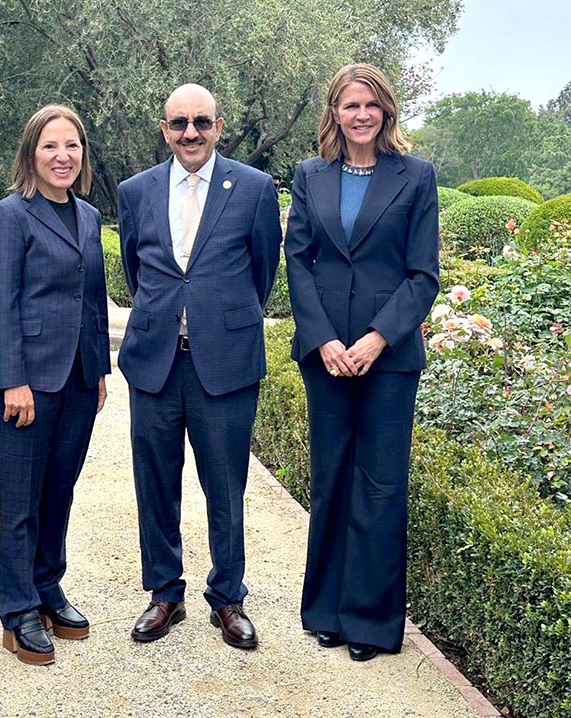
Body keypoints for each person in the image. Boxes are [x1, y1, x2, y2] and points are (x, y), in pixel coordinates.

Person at [118, 83, 281, 649]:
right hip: (155, 362)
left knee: (225, 484)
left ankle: (228, 596)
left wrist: (217, 316)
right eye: (179, 123)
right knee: (155, 482)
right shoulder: (135, 191)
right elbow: (137, 272)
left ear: (219, 126)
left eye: (202, 122)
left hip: (226, 362)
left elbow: (263, 271)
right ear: (164, 129)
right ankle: (165, 593)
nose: (191, 132)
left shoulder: (256, 189)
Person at [285, 63, 440, 661]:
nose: (361, 115)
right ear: (335, 113)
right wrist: (322, 339)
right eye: (350, 106)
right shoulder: (309, 176)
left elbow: (423, 274)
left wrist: (377, 339)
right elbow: (299, 261)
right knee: (330, 481)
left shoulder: (416, 177)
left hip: (389, 358)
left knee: (378, 487)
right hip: (324, 356)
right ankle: (325, 611)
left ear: (386, 112)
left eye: (371, 105)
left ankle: (370, 624)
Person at [0, 105, 110, 666]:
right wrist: (13, 379)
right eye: (50, 147)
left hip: (79, 378)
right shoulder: (10, 215)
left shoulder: (87, 214)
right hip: (26, 383)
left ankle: (47, 585)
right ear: (31, 154)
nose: (63, 157)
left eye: (73, 146)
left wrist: (101, 368)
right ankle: (16, 610)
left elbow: (94, 298)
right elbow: (2, 301)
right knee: (21, 500)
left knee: (59, 491)